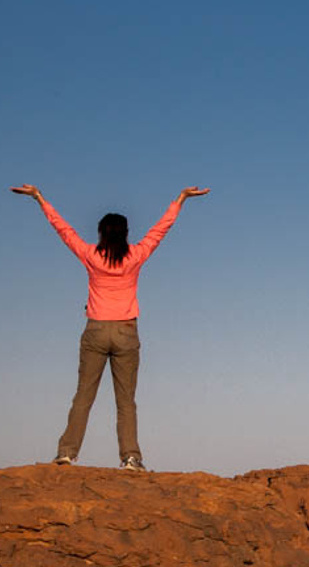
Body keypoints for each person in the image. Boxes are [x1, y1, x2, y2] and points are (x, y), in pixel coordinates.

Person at [11, 183, 209, 469]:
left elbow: (64, 231)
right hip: (126, 333)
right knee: (126, 401)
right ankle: (130, 457)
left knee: (83, 395)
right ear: (126, 233)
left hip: (95, 331)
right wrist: (180, 199)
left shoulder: (92, 257)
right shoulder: (135, 256)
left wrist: (40, 199)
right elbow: (159, 230)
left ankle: (66, 452)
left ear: (101, 233)